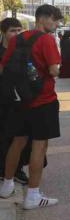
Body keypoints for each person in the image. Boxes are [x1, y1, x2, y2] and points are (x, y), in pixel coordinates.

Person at [0, 4, 64, 209]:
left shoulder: (17, 39)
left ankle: (6, 185)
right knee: (39, 145)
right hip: (43, 101)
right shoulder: (47, 40)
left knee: (17, 142)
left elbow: (4, 67)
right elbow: (54, 71)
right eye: (54, 20)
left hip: (20, 101)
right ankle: (33, 196)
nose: (56, 24)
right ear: (43, 18)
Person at [0, 17, 27, 186]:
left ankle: (16, 170)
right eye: (12, 31)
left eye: (19, 30)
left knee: (19, 138)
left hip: (19, 101)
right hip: (2, 100)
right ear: (3, 33)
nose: (16, 34)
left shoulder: (24, 51)